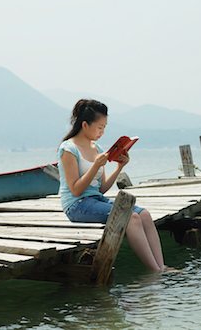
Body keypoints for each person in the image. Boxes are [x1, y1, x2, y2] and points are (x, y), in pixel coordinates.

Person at [57, 98, 166, 273]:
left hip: (96, 200)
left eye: (104, 128)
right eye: (100, 127)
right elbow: (75, 189)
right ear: (85, 125)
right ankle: (155, 271)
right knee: (132, 218)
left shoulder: (97, 149)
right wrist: (95, 166)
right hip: (77, 205)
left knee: (144, 214)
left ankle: (161, 266)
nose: (102, 132)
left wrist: (119, 167)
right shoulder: (68, 149)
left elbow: (101, 189)